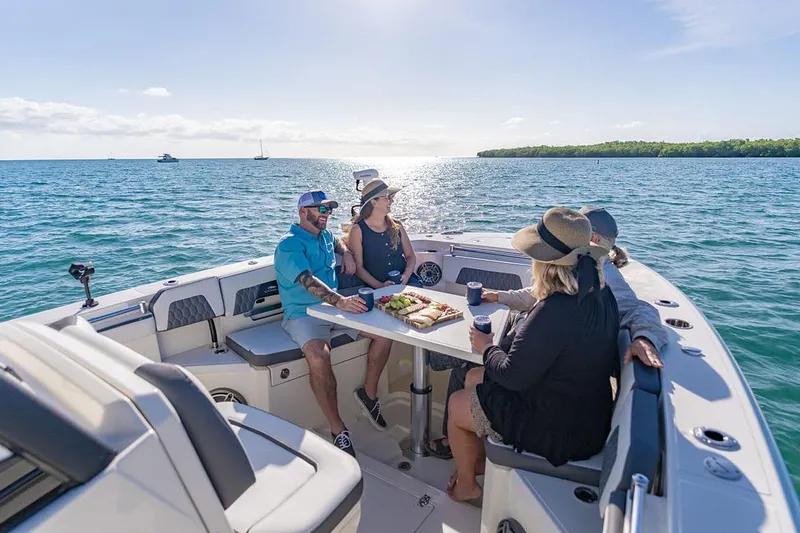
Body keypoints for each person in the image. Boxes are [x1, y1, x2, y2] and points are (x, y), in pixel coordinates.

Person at [425, 205, 667, 459]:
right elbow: (539, 296)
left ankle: (465, 473)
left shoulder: (592, 289)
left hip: (558, 421)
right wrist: (499, 297)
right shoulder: (590, 281)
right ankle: (463, 447)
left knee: (461, 386)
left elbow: (640, 310)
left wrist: (644, 337)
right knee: (471, 375)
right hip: (578, 401)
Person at [445, 207, 620, 503]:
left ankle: (467, 485)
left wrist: (486, 346)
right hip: (586, 414)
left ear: (545, 262)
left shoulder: (555, 311)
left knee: (457, 403)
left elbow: (512, 376)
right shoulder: (599, 293)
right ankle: (473, 462)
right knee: (473, 376)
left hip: (560, 430)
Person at [274, 190, 393, 457]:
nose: (327, 215)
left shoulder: (325, 236)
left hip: (334, 309)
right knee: (318, 357)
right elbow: (308, 281)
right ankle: (338, 430)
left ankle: (369, 396)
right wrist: (340, 302)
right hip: (304, 314)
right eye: (322, 210)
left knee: (384, 334)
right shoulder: (289, 244)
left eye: (329, 210)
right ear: (304, 212)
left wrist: (347, 253)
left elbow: (337, 242)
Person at [345, 177, 422, 288]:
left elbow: (410, 256)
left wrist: (406, 275)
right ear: (373, 202)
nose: (392, 201)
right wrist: (380, 286)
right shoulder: (358, 231)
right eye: (387, 197)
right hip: (377, 289)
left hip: (407, 284)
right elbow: (359, 268)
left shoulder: (397, 225)